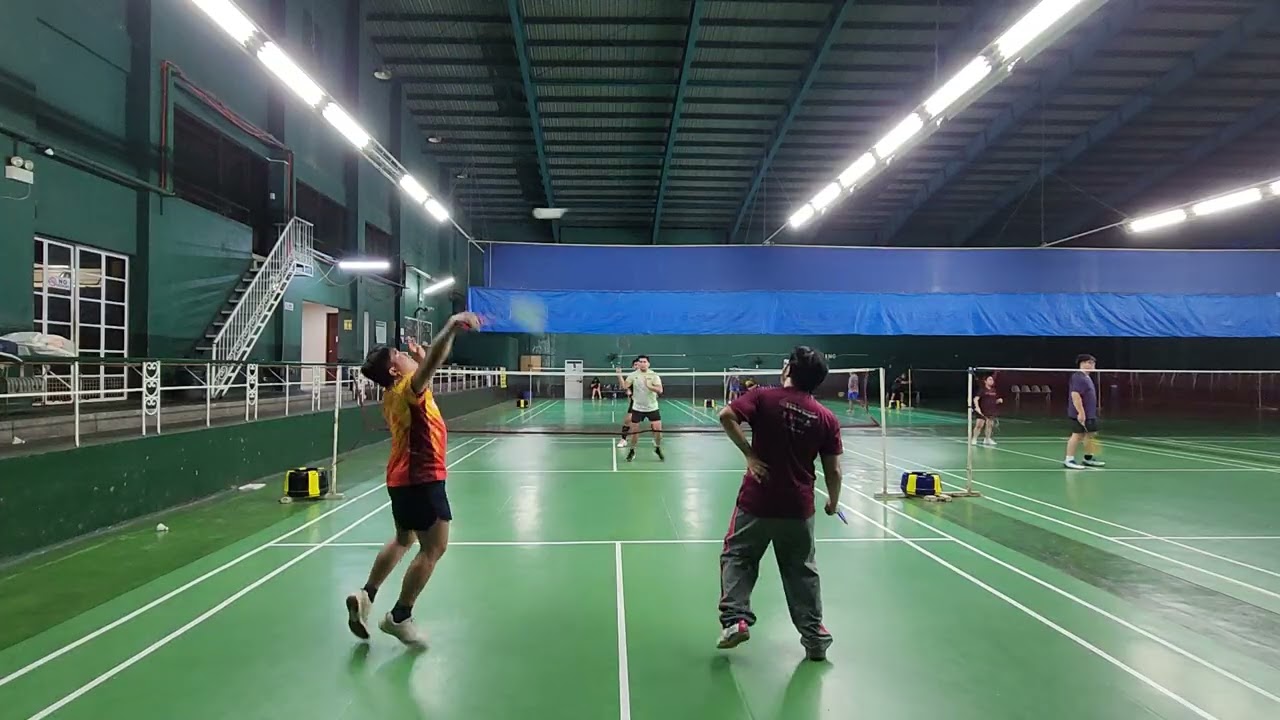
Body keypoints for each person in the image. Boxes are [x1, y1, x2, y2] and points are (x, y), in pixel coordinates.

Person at [344, 311, 481, 647]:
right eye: (399, 355)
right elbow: (433, 362)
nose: (406, 355)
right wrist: (451, 326)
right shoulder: (409, 388)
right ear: (394, 370)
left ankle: (366, 594)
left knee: (403, 539)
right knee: (434, 548)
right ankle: (400, 617)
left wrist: (419, 359)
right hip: (423, 477)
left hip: (399, 478)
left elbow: (428, 368)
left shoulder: (392, 394)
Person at [715, 346, 842, 661]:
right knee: (802, 573)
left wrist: (749, 454)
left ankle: (736, 620)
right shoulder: (826, 418)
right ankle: (815, 639)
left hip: (757, 501)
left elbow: (726, 415)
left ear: (788, 371)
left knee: (738, 557)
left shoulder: (762, 396)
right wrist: (833, 501)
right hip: (798, 508)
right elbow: (834, 471)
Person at [616, 355, 664, 462]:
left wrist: (649, 386)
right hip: (637, 408)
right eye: (640, 362)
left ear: (648, 364)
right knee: (634, 433)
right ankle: (632, 450)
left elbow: (660, 390)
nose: (642, 363)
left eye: (644, 362)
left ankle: (657, 447)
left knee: (658, 433)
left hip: (652, 408)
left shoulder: (654, 375)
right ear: (638, 364)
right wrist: (619, 375)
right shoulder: (633, 375)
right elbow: (624, 386)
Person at [1064, 354, 1105, 470]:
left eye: (1093, 363)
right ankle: (1069, 459)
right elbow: (1075, 395)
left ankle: (1088, 458)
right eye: (1090, 363)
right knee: (1077, 435)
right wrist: (1081, 413)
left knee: (1091, 434)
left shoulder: (1087, 377)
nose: (1093, 365)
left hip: (1090, 413)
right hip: (1080, 413)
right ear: (1082, 364)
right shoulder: (1078, 377)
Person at [972, 374, 1003, 446]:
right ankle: (974, 439)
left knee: (989, 425)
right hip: (982, 410)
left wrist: (998, 401)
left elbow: (994, 401)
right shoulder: (982, 390)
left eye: (992, 380)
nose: (991, 381)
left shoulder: (994, 390)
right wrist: (977, 407)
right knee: (979, 425)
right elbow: (975, 399)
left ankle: (987, 439)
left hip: (991, 410)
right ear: (985, 381)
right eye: (989, 379)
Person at [616, 359, 639, 448]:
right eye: (635, 365)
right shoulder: (631, 377)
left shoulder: (648, 375)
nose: (637, 366)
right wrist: (619, 374)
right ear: (633, 367)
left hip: (648, 402)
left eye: (639, 364)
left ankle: (657, 439)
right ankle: (623, 439)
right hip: (635, 402)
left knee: (655, 424)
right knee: (627, 420)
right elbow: (624, 386)